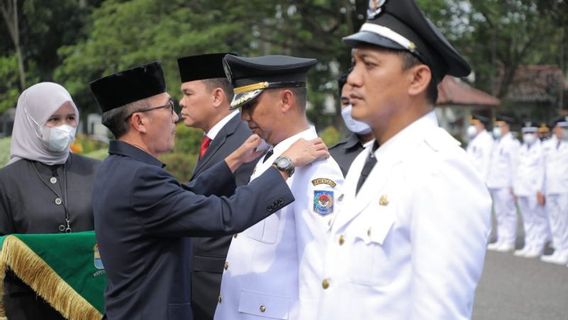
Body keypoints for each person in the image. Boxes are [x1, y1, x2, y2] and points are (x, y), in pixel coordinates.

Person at [89, 61, 329, 320]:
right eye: (168, 107)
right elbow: (226, 215)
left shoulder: (116, 168)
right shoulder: (139, 178)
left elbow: (180, 198)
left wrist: (233, 160)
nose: (175, 117)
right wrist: (284, 164)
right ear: (139, 121)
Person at [316, 0, 492, 319]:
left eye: (369, 65)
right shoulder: (366, 159)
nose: (352, 79)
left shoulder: (441, 170)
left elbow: (439, 312)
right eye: (354, 64)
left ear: (417, 79)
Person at [214, 54, 344, 319]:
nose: (244, 117)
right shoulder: (274, 158)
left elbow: (318, 265)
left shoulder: (316, 168)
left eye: (250, 105)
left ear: (286, 100)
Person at [0, 82, 100, 320]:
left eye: (70, 118)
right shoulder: (6, 181)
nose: (64, 127)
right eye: (53, 119)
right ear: (31, 122)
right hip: (29, 307)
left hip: (94, 304)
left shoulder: (96, 171)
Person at [177, 52, 255, 320]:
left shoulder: (245, 137)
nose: (181, 103)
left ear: (217, 96)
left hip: (222, 280)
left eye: (188, 93)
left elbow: (246, 208)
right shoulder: (215, 139)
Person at [513, 121, 548, 258]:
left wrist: (540, 190)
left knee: (538, 219)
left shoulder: (542, 149)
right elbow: (517, 170)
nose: (528, 135)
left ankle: (538, 246)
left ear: (537, 133)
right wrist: (516, 189)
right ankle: (529, 244)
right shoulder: (521, 149)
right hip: (522, 189)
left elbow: (542, 172)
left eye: (531, 132)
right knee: (527, 219)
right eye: (526, 133)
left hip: (535, 190)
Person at [487, 114, 521, 252]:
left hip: (506, 184)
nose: (497, 129)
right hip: (496, 183)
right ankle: (502, 239)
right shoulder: (497, 142)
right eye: (496, 126)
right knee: (499, 214)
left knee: (509, 213)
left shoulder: (512, 143)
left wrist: (514, 186)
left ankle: (510, 240)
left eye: (499, 126)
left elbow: (514, 166)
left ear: (506, 126)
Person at [329, 72, 374, 176]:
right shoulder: (331, 158)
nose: (351, 109)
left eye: (358, 100)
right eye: (346, 103)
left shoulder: (407, 151)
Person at [540, 116, 568, 265]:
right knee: (555, 221)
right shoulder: (548, 145)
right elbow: (544, 169)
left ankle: (566, 252)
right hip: (551, 188)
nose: (560, 131)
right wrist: (541, 190)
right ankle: (559, 250)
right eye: (558, 128)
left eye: (563, 128)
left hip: (565, 189)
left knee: (565, 221)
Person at [465, 113, 493, 183]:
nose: (473, 126)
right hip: (472, 177)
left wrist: (484, 180)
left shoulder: (486, 139)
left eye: (475, 124)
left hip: (480, 179)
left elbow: (487, 160)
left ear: (482, 125)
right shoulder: (475, 139)